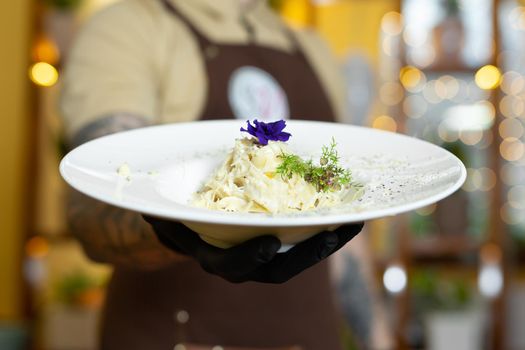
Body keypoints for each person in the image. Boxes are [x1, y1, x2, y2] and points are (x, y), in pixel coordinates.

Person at [60, 1, 389, 349]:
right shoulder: (128, 28)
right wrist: (179, 235)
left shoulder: (313, 49)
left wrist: (378, 338)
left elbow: (343, 230)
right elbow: (93, 202)